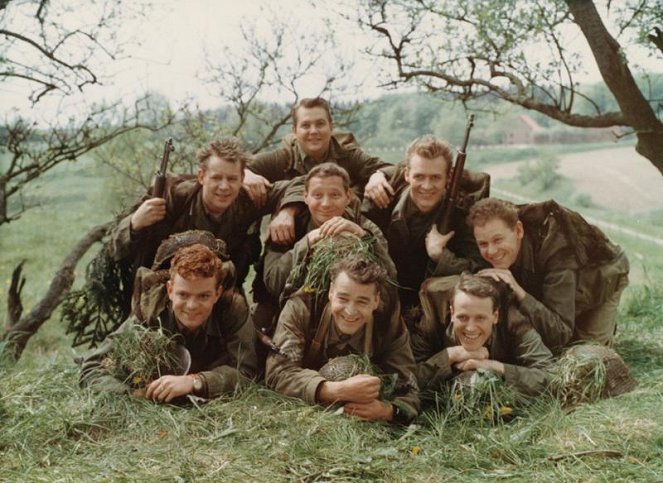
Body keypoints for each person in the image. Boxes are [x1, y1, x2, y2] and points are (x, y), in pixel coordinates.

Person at [80, 242, 257, 401]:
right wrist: (133, 395)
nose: (192, 306)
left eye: (204, 296)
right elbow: (92, 367)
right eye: (183, 294)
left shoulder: (232, 309)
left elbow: (247, 373)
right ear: (170, 290)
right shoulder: (150, 310)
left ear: (217, 293)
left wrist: (195, 381)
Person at [109, 137, 288, 290]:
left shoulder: (248, 199)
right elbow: (114, 248)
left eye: (232, 178)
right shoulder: (173, 197)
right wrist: (134, 223)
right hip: (164, 291)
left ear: (243, 178)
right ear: (201, 176)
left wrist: (288, 211)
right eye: (216, 178)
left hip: (221, 294)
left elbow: (302, 184)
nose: (224, 187)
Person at [265, 255, 419, 423]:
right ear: (331, 292)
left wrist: (387, 411)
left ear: (376, 301)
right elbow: (278, 373)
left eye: (362, 302)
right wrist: (332, 391)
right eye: (343, 299)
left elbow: (408, 386)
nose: (350, 311)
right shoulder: (303, 307)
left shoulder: (387, 320)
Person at [467, 198, 629, 352]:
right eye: (483, 244)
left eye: (498, 240)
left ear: (518, 230)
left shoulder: (558, 252)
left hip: (601, 277)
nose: (491, 251)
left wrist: (520, 293)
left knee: (585, 356)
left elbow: (560, 333)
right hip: (557, 280)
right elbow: (467, 265)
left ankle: (599, 324)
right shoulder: (493, 236)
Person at [361, 134, 490, 316]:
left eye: (436, 178)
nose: (427, 186)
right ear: (406, 174)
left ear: (449, 177)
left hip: (436, 310)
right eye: (419, 176)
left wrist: (442, 257)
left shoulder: (463, 215)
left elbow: (481, 271)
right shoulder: (382, 199)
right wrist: (378, 173)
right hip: (383, 302)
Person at [242, 97, 394, 245]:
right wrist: (246, 175)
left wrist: (378, 175)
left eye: (320, 124)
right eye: (306, 125)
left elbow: (391, 168)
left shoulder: (348, 155)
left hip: (346, 235)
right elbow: (235, 167)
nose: (313, 131)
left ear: (331, 127)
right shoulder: (281, 159)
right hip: (294, 240)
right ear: (295, 130)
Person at [412, 273, 554, 398]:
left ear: (495, 316)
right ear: (452, 313)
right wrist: (449, 356)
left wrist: (495, 367)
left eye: (480, 318)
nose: (471, 328)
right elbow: (407, 379)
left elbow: (550, 376)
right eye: (463, 317)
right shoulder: (431, 322)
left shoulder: (514, 324)